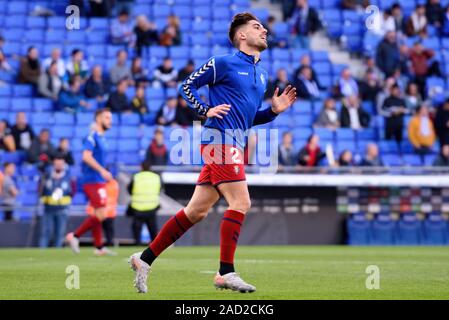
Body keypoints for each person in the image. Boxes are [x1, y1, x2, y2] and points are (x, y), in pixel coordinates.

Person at [129, 12, 297, 294]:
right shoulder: (223, 63)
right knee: (241, 202)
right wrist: (205, 110)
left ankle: (144, 259)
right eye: (257, 27)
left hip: (235, 142)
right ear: (241, 35)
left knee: (196, 211)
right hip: (219, 140)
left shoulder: (262, 74)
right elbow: (186, 86)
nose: (264, 30)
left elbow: (247, 117)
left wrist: (272, 112)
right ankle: (225, 271)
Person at [65, 109, 115, 256]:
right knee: (101, 215)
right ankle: (74, 236)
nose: (110, 120)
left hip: (98, 180)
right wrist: (102, 171)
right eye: (107, 117)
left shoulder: (102, 138)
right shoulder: (92, 137)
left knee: (99, 213)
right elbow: (86, 157)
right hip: (92, 180)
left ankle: (98, 247)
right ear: (98, 119)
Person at [39, 156, 73, 248]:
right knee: (46, 232)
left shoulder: (68, 177)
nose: (58, 166)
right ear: (53, 164)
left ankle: (57, 253)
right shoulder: (47, 176)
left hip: (62, 209)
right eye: (56, 164)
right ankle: (41, 253)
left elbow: (72, 192)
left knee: (60, 233)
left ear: (63, 165)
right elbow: (40, 191)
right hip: (48, 209)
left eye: (60, 164)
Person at [127, 161, 161, 245]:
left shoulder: (136, 176)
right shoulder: (156, 177)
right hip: (152, 206)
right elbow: (160, 190)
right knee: (152, 228)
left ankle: (137, 244)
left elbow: (130, 190)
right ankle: (155, 245)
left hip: (138, 207)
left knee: (136, 228)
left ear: (141, 167)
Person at [87, 176, 119, 247]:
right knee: (97, 229)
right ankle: (98, 244)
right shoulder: (102, 184)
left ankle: (109, 244)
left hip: (108, 212)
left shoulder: (112, 184)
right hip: (100, 211)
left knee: (108, 230)